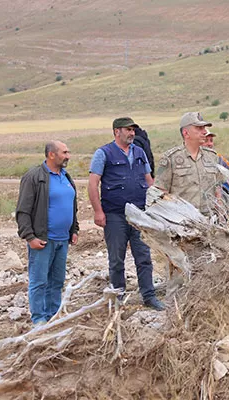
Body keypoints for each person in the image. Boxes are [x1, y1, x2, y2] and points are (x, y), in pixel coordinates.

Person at [88, 117, 164, 311]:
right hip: (114, 214)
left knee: (144, 256)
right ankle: (118, 297)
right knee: (116, 259)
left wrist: (154, 208)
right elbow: (93, 184)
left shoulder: (139, 152)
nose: (132, 133)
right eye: (128, 130)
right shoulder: (103, 153)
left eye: (133, 130)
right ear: (116, 132)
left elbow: (149, 181)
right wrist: (98, 211)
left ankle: (149, 296)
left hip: (139, 214)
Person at [16, 141, 79, 325]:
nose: (68, 156)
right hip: (43, 240)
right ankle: (39, 320)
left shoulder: (66, 177)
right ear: (51, 154)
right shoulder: (34, 177)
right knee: (39, 281)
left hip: (62, 241)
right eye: (64, 152)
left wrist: (74, 230)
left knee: (57, 281)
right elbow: (23, 210)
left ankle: (53, 316)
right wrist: (29, 237)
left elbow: (72, 207)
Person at [153, 112, 225, 215]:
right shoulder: (170, 159)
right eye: (199, 128)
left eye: (204, 128)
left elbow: (218, 188)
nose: (204, 132)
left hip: (210, 220)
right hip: (183, 222)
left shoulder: (212, 156)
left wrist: (221, 212)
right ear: (186, 133)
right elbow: (160, 192)